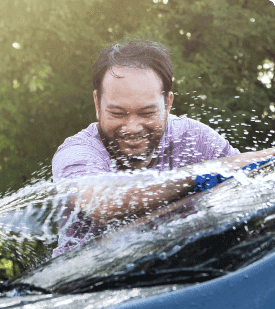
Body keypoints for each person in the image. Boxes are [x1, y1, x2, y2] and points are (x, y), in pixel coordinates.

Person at [52, 39, 275, 257]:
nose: (132, 127)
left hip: (188, 276)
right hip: (87, 285)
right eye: (118, 113)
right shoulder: (78, 152)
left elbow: (248, 181)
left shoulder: (194, 139)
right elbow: (100, 202)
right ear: (97, 104)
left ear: (167, 104)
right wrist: (199, 175)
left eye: (147, 113)